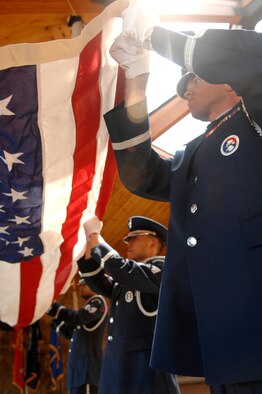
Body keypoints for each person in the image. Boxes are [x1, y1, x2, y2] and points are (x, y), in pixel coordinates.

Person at [100, 5, 262, 393]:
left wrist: (159, 39)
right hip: (224, 329)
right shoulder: (191, 151)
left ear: (229, 82)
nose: (184, 88)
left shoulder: (255, 116)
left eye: (194, 77)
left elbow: (250, 57)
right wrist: (137, 79)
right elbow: (142, 172)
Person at [77, 215, 180, 394]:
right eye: (128, 239)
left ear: (153, 244)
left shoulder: (163, 270)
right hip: (120, 369)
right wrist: (87, 242)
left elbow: (123, 270)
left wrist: (95, 236)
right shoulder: (129, 279)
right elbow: (98, 282)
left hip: (146, 373)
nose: (128, 243)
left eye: (134, 238)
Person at [48, 279, 108, 394]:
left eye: (83, 284)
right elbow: (70, 333)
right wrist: (52, 315)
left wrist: (55, 308)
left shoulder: (98, 303)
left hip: (87, 373)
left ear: (93, 285)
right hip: (77, 374)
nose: (80, 287)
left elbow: (77, 318)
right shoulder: (87, 309)